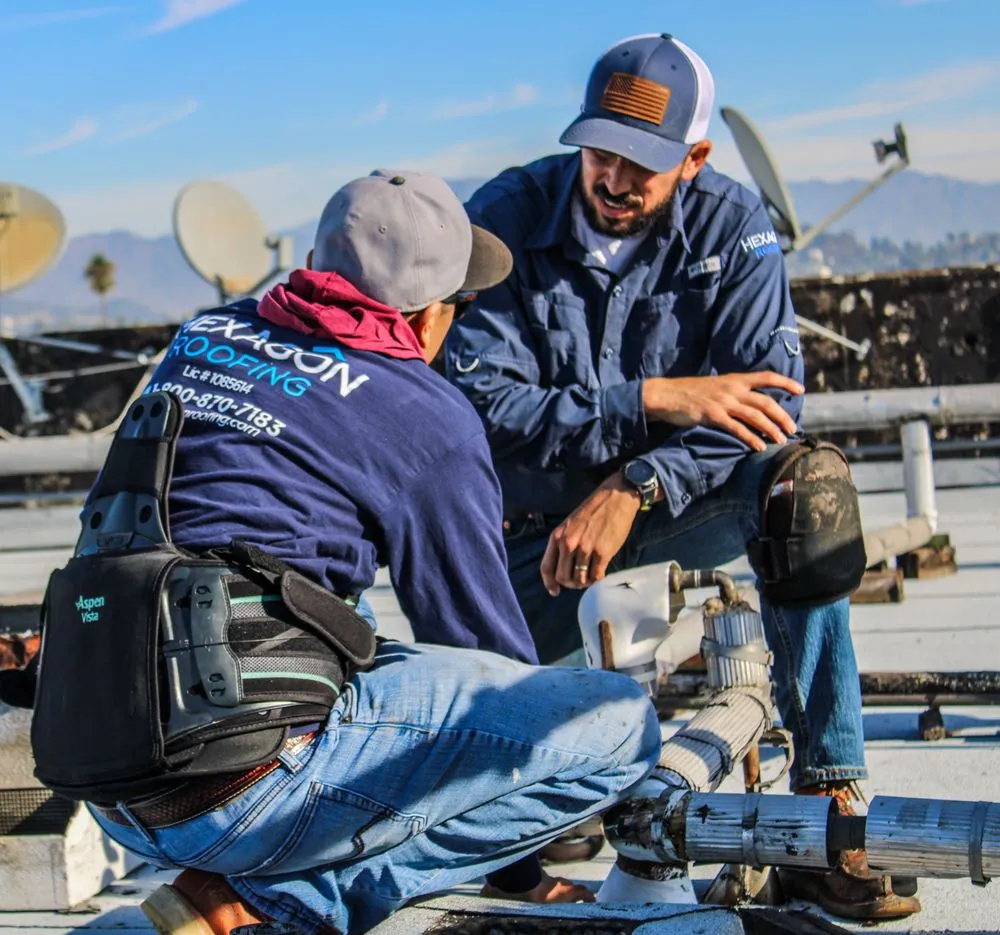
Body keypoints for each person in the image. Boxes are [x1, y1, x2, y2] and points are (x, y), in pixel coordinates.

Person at [20, 171, 663, 935]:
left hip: (105, 773)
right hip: (245, 793)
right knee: (621, 726)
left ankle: (206, 896)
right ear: (426, 317)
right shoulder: (425, 417)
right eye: (459, 307)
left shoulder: (203, 335)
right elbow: (483, 651)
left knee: (332, 611)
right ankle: (272, 904)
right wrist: (518, 870)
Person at [445, 34, 921, 921]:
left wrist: (638, 484)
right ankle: (551, 805)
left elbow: (771, 411)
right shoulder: (503, 219)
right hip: (530, 540)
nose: (614, 178)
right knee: (476, 762)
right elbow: (474, 402)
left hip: (667, 507)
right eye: (600, 151)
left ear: (695, 158)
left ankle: (830, 813)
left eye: (644, 164)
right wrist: (656, 397)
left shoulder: (734, 227)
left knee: (800, 490)